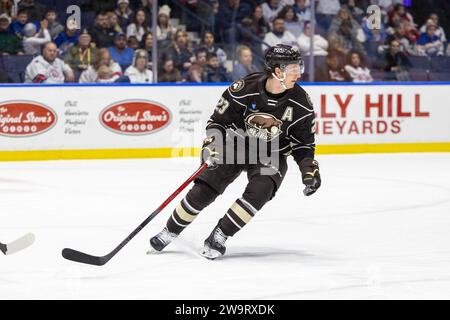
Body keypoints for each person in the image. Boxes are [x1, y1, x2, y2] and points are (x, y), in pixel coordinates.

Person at [148, 44, 321, 259]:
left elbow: (304, 144)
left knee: (261, 191)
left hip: (272, 154)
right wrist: (212, 146)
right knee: (204, 190)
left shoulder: (302, 103)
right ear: (278, 71)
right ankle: (170, 230)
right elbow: (218, 122)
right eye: (294, 68)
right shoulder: (243, 89)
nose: (298, 73)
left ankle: (219, 235)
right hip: (236, 144)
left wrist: (308, 169)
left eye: (298, 67)